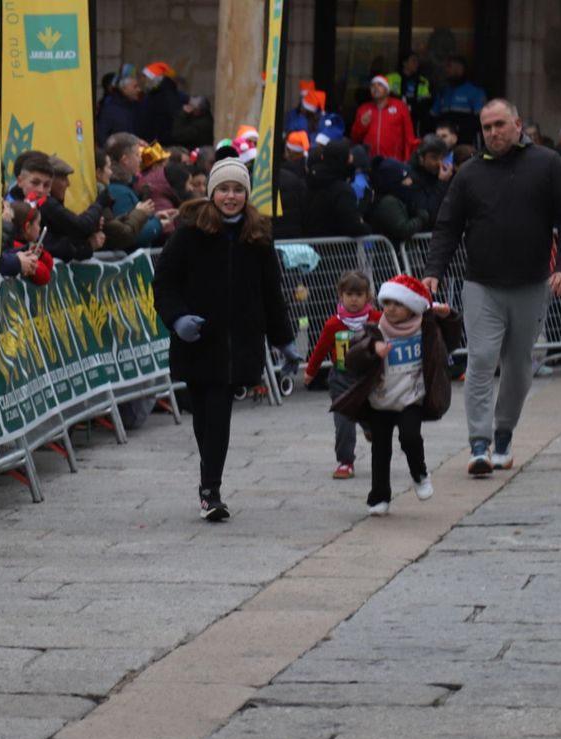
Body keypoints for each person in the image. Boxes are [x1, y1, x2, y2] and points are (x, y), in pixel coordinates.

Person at [423, 99, 561, 477]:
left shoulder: (547, 164)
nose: (493, 133)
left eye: (499, 125)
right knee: (480, 359)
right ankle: (479, 443)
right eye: (487, 127)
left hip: (531, 284)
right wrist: (433, 271)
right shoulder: (470, 173)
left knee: (517, 368)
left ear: (517, 124)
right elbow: (448, 226)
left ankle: (504, 433)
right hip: (482, 284)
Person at [153, 158, 295, 521]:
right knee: (202, 416)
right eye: (224, 189)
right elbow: (164, 281)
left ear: (246, 195)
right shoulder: (189, 233)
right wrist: (177, 318)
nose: (230, 196)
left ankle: (210, 489)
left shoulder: (258, 235)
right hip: (197, 340)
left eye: (237, 190)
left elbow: (270, 291)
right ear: (211, 192)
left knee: (218, 412)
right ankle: (209, 479)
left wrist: (284, 340)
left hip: (237, 345)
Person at [331, 275, 459, 514]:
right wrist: (371, 348)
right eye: (386, 303)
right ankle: (379, 497)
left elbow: (451, 342)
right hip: (381, 401)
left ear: (411, 307)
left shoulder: (426, 329)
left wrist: (447, 317)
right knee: (380, 450)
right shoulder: (375, 329)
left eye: (397, 304)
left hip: (411, 398)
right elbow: (352, 359)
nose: (390, 308)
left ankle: (419, 473)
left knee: (410, 437)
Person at [303, 271, 381, 479]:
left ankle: (369, 427)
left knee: (370, 412)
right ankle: (345, 461)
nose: (354, 299)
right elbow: (320, 349)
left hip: (367, 378)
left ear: (368, 297)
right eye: (349, 294)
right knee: (344, 421)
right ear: (341, 295)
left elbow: (390, 338)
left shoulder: (376, 320)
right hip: (341, 378)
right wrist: (311, 371)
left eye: (359, 294)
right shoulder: (333, 324)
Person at [302, 139, 369, 238]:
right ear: (343, 159)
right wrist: (366, 228)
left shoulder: (311, 180)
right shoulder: (343, 190)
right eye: (349, 156)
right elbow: (352, 226)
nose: (351, 159)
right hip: (335, 248)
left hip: (311, 244)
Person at [351, 75, 418, 162]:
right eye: (373, 85)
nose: (375, 88)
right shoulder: (363, 109)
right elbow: (355, 139)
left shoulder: (400, 107)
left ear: (387, 90)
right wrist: (361, 125)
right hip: (370, 162)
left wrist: (407, 160)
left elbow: (409, 138)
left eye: (380, 85)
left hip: (394, 162)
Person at [431, 56, 486, 145]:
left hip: (466, 142)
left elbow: (480, 120)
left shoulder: (475, 91)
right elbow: (434, 115)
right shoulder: (443, 92)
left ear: (459, 68)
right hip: (444, 142)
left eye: (449, 66)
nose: (446, 70)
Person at [139, 62, 185, 144]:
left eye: (145, 78)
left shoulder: (165, 94)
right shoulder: (154, 93)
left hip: (162, 143)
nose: (143, 81)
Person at [386, 52, 433, 132]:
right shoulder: (390, 78)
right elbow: (385, 97)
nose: (416, 64)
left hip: (414, 119)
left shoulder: (423, 81)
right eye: (413, 61)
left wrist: (410, 104)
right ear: (405, 63)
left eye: (417, 61)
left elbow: (426, 100)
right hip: (393, 116)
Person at [97, 72, 146, 142]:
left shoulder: (138, 106)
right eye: (135, 87)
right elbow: (103, 136)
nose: (139, 90)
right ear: (124, 88)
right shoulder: (110, 109)